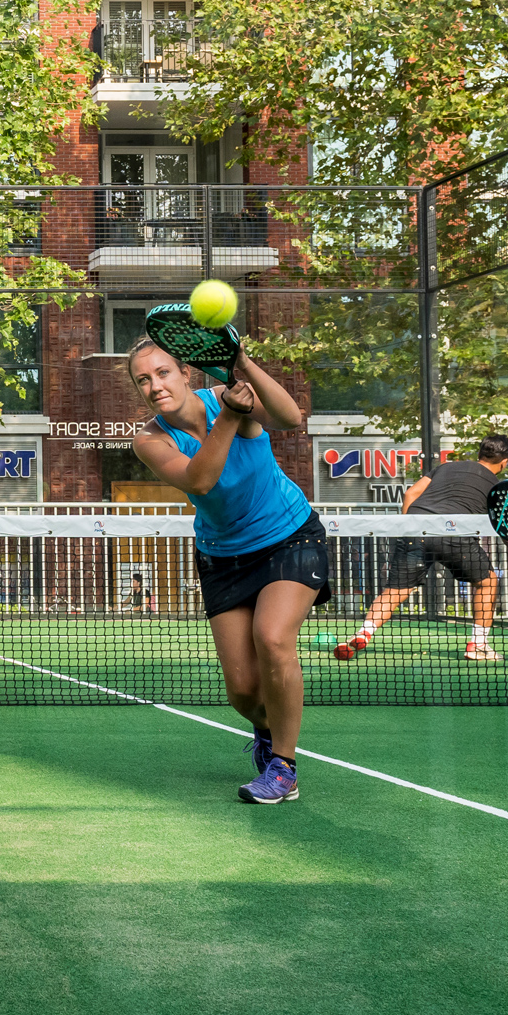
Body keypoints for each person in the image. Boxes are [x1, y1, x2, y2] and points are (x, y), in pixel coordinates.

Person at [129, 335, 325, 805]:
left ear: (184, 373)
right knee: (241, 692)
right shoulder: (150, 440)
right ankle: (266, 730)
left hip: (289, 535)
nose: (155, 385)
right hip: (222, 556)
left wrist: (242, 364)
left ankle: (284, 767)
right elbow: (201, 479)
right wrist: (233, 418)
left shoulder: (226, 393)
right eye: (143, 380)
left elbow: (291, 418)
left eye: (163, 372)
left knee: (273, 638)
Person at [336, 434, 508, 663]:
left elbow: (411, 494)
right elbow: (506, 533)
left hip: (416, 529)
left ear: (480, 454)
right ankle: (478, 645)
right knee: (487, 582)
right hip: (455, 535)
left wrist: (410, 527)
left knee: (395, 591)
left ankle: (363, 633)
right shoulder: (497, 489)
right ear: (504, 462)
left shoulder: (444, 467)